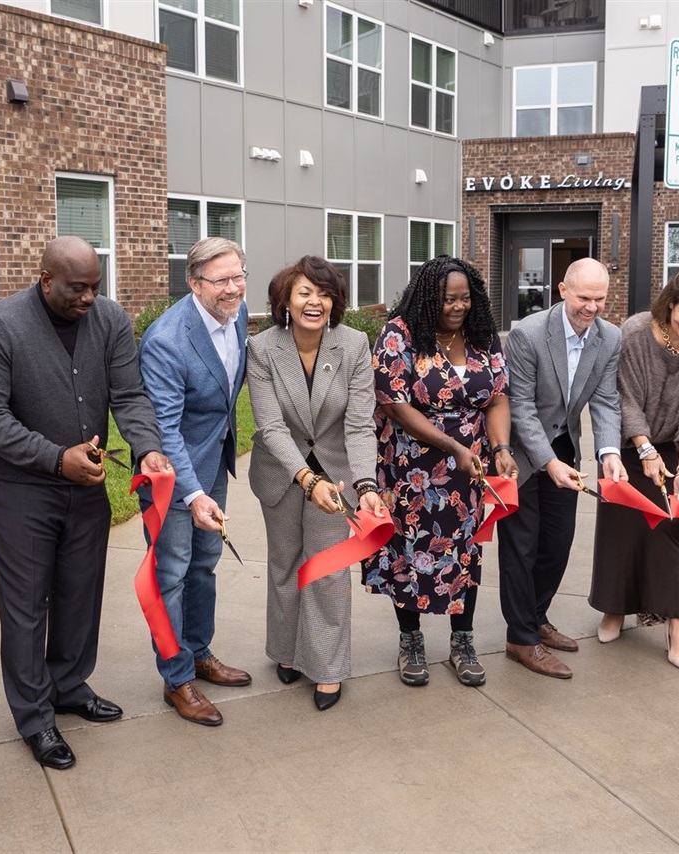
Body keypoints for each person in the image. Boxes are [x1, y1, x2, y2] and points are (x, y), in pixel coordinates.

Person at [0, 236, 169, 770]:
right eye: (77, 289)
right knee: (27, 606)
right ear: (45, 278)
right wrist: (57, 459)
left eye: (95, 287)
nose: (88, 299)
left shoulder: (110, 319)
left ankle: (69, 685)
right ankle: (35, 717)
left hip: (86, 484)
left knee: (80, 592)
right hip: (19, 490)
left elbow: (128, 394)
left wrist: (146, 448)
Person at [362, 256, 514, 688]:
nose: (458, 307)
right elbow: (394, 403)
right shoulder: (399, 334)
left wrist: (500, 447)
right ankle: (410, 639)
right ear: (429, 297)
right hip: (411, 467)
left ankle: (462, 640)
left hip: (470, 472)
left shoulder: (483, 335)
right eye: (448, 299)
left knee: (465, 551)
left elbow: (498, 396)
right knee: (409, 552)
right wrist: (452, 446)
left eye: (465, 298)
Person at [247, 257, 386, 711]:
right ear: (285, 299)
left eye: (324, 293)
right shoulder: (263, 348)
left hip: (339, 475)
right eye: (305, 292)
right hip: (282, 474)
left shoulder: (354, 345)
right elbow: (270, 427)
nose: (316, 301)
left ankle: (326, 668)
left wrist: (366, 485)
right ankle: (286, 652)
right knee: (285, 566)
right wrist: (306, 480)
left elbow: (360, 425)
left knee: (325, 570)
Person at [588, 265, 679, 671]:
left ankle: (677, 624)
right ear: (669, 305)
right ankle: (615, 608)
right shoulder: (635, 333)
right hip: (627, 445)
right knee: (621, 530)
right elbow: (623, 398)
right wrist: (644, 449)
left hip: (676, 451)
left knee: (672, 532)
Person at [138, 236, 251, 727]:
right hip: (172, 477)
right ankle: (177, 677)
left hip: (213, 461)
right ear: (194, 283)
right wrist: (193, 493)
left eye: (239, 275)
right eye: (222, 280)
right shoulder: (167, 340)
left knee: (203, 564)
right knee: (171, 574)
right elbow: (165, 430)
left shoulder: (237, 315)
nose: (234, 288)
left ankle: (199, 652)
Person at [497, 257, 625, 679]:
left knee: (558, 543)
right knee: (521, 546)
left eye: (600, 298)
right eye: (584, 297)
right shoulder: (528, 334)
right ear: (562, 289)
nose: (592, 306)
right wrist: (547, 462)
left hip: (565, 446)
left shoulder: (609, 339)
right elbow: (521, 407)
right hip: (519, 454)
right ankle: (521, 638)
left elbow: (605, 400)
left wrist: (610, 452)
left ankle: (537, 617)